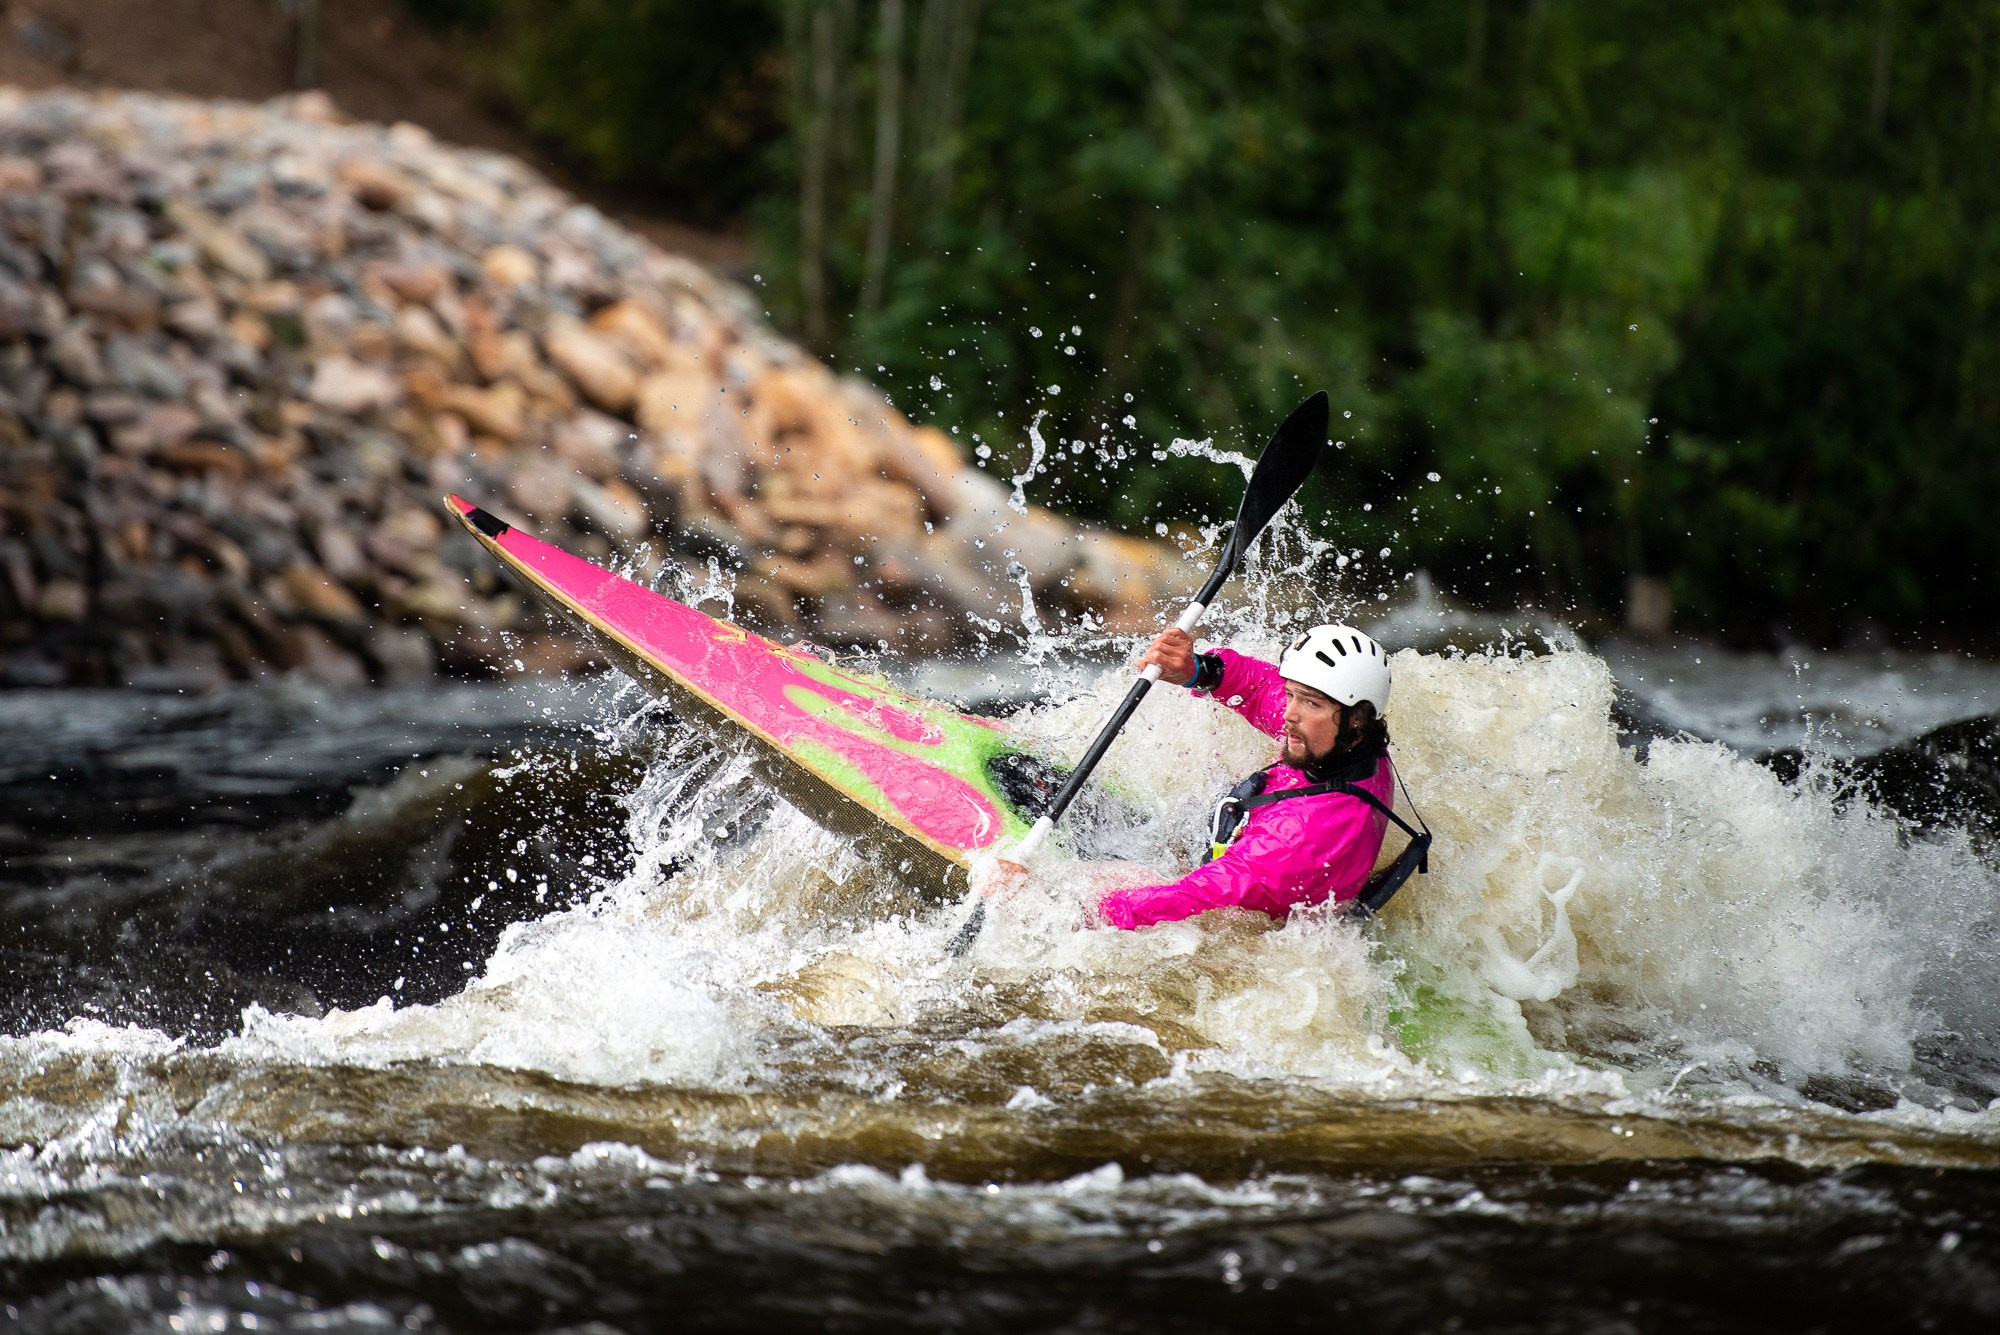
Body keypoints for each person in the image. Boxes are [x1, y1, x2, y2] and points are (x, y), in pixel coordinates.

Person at [1093, 623, 1397, 930]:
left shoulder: (1294, 840)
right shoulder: (1352, 747)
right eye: (1292, 694)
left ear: (1357, 719)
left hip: (1214, 890)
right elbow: (1260, 689)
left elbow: (1185, 897)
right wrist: (1198, 670)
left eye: (1310, 703)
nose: (1289, 714)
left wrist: (1082, 912)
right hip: (1216, 848)